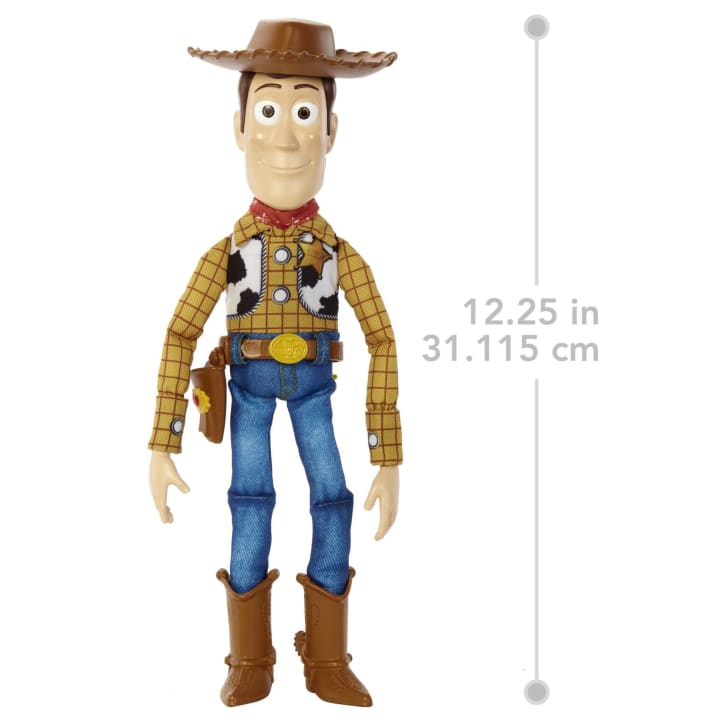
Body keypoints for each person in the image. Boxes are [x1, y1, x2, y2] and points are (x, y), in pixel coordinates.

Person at [148, 19, 402, 708]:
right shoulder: (225, 255)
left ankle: (327, 657)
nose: (286, 139)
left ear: (330, 131)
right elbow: (180, 332)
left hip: (317, 389)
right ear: (240, 127)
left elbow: (382, 339)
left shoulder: (340, 254)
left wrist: (387, 454)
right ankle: (250, 658)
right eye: (268, 111)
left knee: (333, 501)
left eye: (304, 113)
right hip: (250, 390)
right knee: (250, 504)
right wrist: (164, 439)